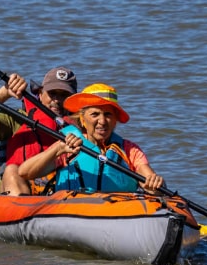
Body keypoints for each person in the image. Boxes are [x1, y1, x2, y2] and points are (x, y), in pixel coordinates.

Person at [18, 83, 165, 194]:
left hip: (119, 213)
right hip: (73, 212)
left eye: (108, 114)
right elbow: (25, 172)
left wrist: (155, 183)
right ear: (82, 119)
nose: (102, 121)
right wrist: (58, 149)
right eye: (95, 114)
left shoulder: (129, 150)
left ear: (115, 120)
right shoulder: (67, 143)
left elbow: (148, 177)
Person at [0, 66, 78, 195]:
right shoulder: (19, 119)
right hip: (21, 186)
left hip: (65, 186)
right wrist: (5, 92)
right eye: (52, 93)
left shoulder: (84, 124)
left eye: (64, 95)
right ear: (40, 93)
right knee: (12, 170)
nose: (57, 100)